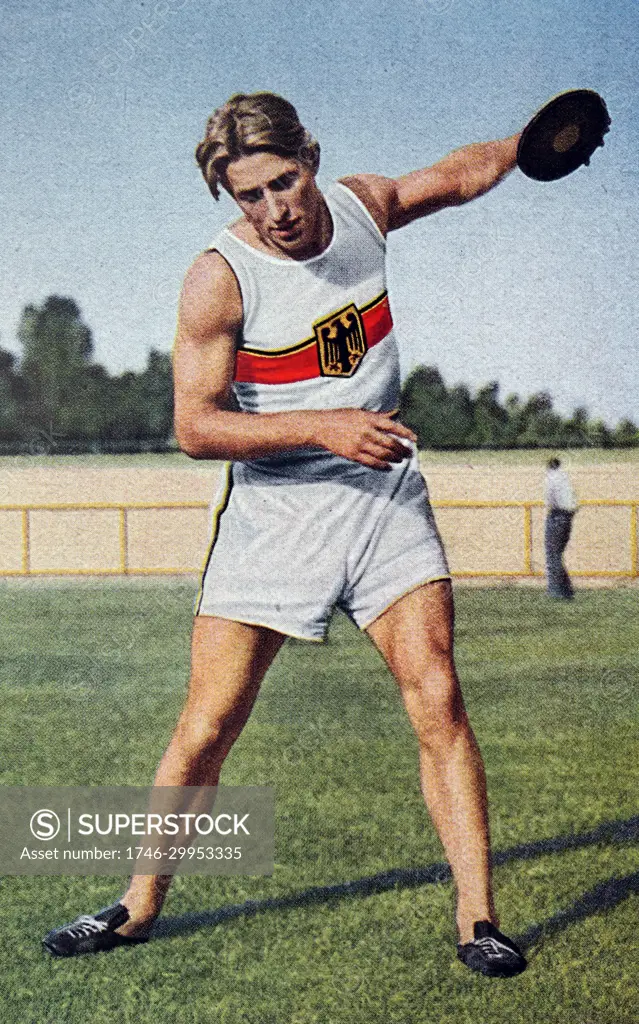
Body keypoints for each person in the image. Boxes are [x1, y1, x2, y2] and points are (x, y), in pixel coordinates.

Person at [44, 92, 527, 977]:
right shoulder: (218, 276)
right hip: (274, 514)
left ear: (310, 157)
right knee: (208, 725)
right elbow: (195, 427)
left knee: (438, 698)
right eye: (250, 197)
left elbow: (455, 177)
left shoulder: (361, 208)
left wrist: (527, 143)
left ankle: (478, 920)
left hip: (381, 502)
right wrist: (324, 427)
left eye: (284, 182)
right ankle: (134, 907)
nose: (276, 211)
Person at [545, 457, 578, 599]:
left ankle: (556, 591)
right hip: (568, 517)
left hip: (557, 515)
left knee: (552, 555)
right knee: (557, 554)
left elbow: (549, 500)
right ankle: (566, 589)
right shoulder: (565, 478)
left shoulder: (550, 478)